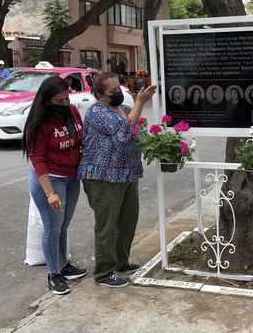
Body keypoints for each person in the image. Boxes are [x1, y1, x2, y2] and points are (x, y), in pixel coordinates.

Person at [78, 72, 156, 288]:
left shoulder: (125, 110)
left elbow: (139, 131)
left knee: (128, 221)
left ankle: (121, 263)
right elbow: (123, 134)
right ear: (100, 94)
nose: (118, 94)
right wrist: (140, 102)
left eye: (118, 89)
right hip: (103, 177)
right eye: (112, 91)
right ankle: (104, 273)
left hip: (128, 174)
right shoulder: (97, 112)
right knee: (108, 226)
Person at [23, 76, 87, 295]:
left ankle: (63, 265)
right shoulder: (39, 122)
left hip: (71, 177)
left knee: (63, 225)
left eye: (66, 98)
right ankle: (54, 275)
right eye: (59, 101)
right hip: (50, 180)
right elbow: (37, 158)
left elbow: (81, 142)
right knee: (52, 227)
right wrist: (50, 193)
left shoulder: (73, 112)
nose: (65, 104)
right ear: (47, 101)